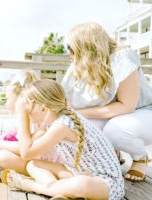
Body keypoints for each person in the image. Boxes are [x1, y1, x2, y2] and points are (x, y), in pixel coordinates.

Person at [1, 79, 124, 200]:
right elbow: (28, 149)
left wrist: (22, 116)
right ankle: (58, 191)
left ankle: (34, 186)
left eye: (29, 108)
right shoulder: (51, 121)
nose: (27, 112)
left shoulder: (63, 125)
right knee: (33, 165)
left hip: (106, 183)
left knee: (82, 184)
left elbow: (26, 153)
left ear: (43, 108)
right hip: (78, 172)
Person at [62, 22, 152, 182]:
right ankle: (112, 153)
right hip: (114, 113)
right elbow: (68, 101)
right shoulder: (79, 64)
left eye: (71, 47)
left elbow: (127, 105)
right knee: (80, 129)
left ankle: (140, 157)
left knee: (116, 131)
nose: (68, 52)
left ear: (87, 47)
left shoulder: (123, 57)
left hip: (143, 112)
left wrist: (80, 113)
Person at [0, 70, 60, 179]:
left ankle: (13, 173)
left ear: (20, 99)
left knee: (2, 157)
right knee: (0, 154)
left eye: (8, 99)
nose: (6, 102)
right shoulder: (32, 120)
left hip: (47, 165)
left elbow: (26, 150)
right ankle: (6, 171)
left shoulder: (39, 124)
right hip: (36, 160)